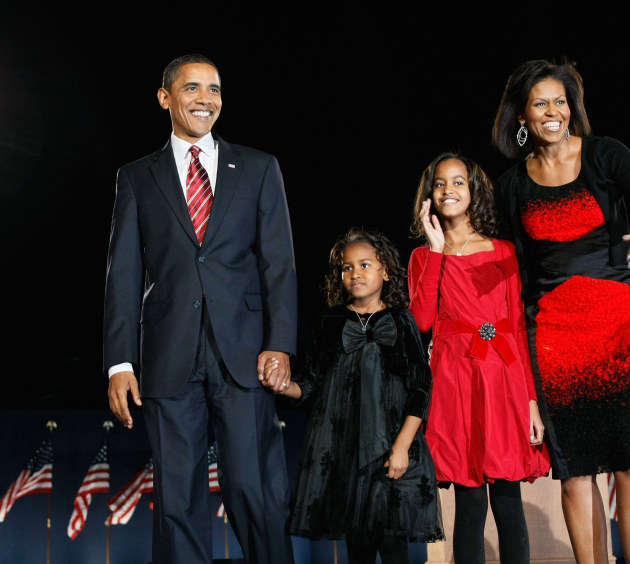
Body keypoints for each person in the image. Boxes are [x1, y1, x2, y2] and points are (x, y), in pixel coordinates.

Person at [103, 53, 297, 564]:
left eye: (213, 89)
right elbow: (122, 273)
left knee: (255, 490)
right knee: (178, 499)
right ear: (166, 98)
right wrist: (120, 362)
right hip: (169, 356)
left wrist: (280, 343)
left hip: (245, 353)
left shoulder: (258, 167)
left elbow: (279, 264)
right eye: (192, 88)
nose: (205, 99)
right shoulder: (136, 177)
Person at [490, 58, 630, 564]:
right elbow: (515, 277)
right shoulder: (510, 186)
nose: (553, 111)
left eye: (560, 101)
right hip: (554, 337)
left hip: (622, 326)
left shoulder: (604, 155)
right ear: (521, 117)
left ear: (571, 109)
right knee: (575, 474)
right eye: (540, 103)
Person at [261, 227, 444, 564]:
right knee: (358, 547)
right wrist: (283, 385)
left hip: (394, 448)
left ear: (385, 271)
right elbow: (312, 382)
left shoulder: (401, 321)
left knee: (393, 545)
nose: (355, 273)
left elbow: (421, 387)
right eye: (347, 268)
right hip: (346, 451)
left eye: (364, 265)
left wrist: (402, 446)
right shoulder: (330, 321)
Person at [407, 152, 551, 564]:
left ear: (473, 192)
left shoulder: (503, 251)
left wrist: (530, 404)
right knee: (470, 505)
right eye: (440, 183)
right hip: (455, 382)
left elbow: (517, 331)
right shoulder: (423, 257)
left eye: (458, 182)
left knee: (507, 500)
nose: (448, 190)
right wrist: (435, 250)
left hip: (501, 377)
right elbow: (420, 321)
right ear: (429, 195)